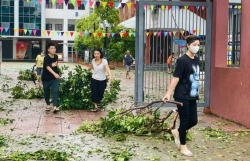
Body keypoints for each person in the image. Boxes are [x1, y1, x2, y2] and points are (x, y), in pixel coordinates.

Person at [162, 35, 200, 157]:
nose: (196, 47)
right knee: (184, 120)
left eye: (198, 45)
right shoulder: (182, 60)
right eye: (194, 45)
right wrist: (168, 93)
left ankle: (177, 132)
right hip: (182, 94)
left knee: (193, 121)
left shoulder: (197, 60)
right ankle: (183, 147)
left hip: (192, 94)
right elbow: (176, 77)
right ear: (188, 45)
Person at [42, 43, 60, 113]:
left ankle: (55, 106)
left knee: (55, 91)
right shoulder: (46, 57)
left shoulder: (56, 56)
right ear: (48, 50)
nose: (53, 50)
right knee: (46, 92)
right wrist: (54, 73)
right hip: (46, 78)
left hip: (54, 78)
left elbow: (55, 64)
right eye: (52, 48)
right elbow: (47, 67)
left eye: (54, 48)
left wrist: (56, 74)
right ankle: (48, 104)